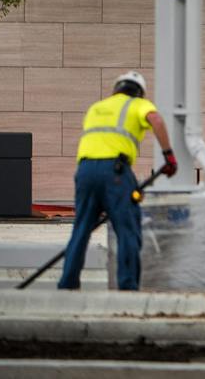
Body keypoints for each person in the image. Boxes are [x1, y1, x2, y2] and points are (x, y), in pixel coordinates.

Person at [58, 70, 176, 291]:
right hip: (115, 172)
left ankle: (68, 283)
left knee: (81, 228)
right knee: (127, 229)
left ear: (115, 88)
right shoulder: (137, 104)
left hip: (84, 171)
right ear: (139, 92)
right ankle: (128, 286)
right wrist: (168, 154)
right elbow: (156, 119)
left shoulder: (96, 108)